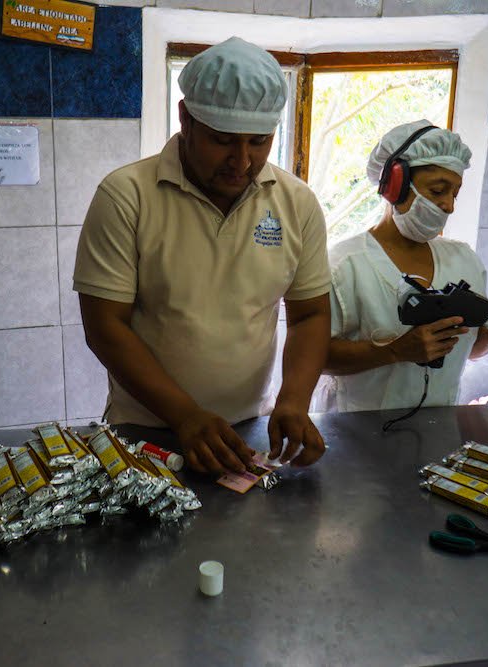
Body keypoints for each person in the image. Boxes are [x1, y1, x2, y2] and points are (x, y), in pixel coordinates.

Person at [73, 37, 331, 474]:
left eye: (260, 141)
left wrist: (293, 401)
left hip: (249, 426)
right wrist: (185, 416)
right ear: (185, 119)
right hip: (147, 430)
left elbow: (309, 315)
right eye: (223, 141)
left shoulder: (296, 204)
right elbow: (104, 327)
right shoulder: (127, 197)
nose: (243, 161)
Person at [321, 119, 488, 412]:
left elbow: (473, 349)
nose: (449, 206)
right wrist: (394, 352)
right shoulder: (345, 265)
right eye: (438, 190)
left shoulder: (464, 261)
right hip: (354, 432)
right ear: (395, 186)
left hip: (435, 429)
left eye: (454, 193)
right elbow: (315, 357)